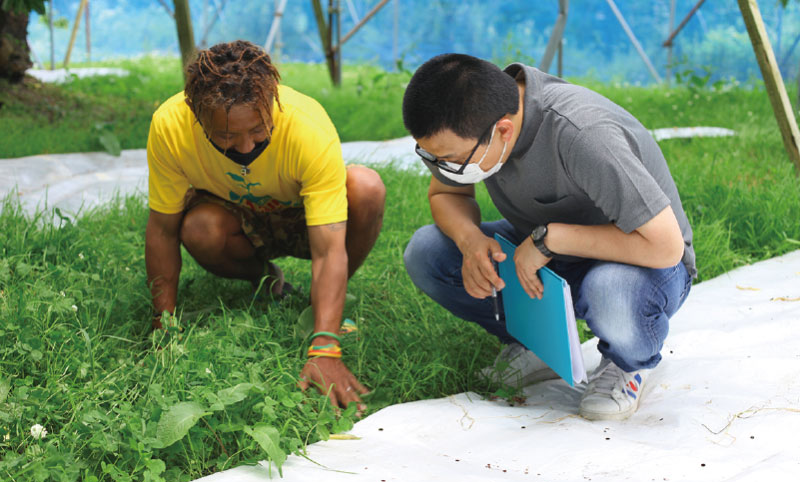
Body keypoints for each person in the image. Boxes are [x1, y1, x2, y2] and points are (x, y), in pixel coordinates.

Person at [402, 54, 694, 420]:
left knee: (610, 292)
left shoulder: (583, 134)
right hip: (544, 250)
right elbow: (447, 195)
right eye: (432, 158)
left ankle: (626, 364)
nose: (444, 168)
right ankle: (539, 345)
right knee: (428, 252)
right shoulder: (475, 123)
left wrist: (549, 240)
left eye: (451, 159)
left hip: (641, 262)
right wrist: (470, 242)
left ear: (503, 131)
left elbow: (666, 247)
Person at [145, 40, 385, 410]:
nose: (245, 147)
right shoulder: (170, 126)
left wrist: (325, 346)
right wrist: (164, 327)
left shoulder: (306, 126)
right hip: (236, 219)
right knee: (198, 228)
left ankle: (322, 304)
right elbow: (162, 229)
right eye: (226, 136)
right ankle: (266, 280)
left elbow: (328, 247)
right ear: (195, 114)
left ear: (272, 103)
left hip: (303, 219)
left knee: (366, 188)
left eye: (258, 130)